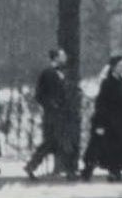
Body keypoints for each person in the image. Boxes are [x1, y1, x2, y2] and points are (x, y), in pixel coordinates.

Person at [23, 49, 74, 180]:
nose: (65, 57)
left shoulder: (63, 73)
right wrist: (51, 105)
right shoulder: (47, 73)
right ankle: (70, 171)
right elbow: (39, 95)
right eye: (63, 55)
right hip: (53, 115)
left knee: (51, 143)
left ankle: (31, 166)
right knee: (62, 142)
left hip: (61, 114)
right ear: (56, 58)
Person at [80, 58, 122, 182]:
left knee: (114, 147)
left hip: (117, 121)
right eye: (120, 65)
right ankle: (88, 170)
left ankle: (114, 171)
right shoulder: (107, 83)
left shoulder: (121, 82)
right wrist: (100, 124)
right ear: (114, 67)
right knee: (97, 147)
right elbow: (101, 104)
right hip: (105, 121)